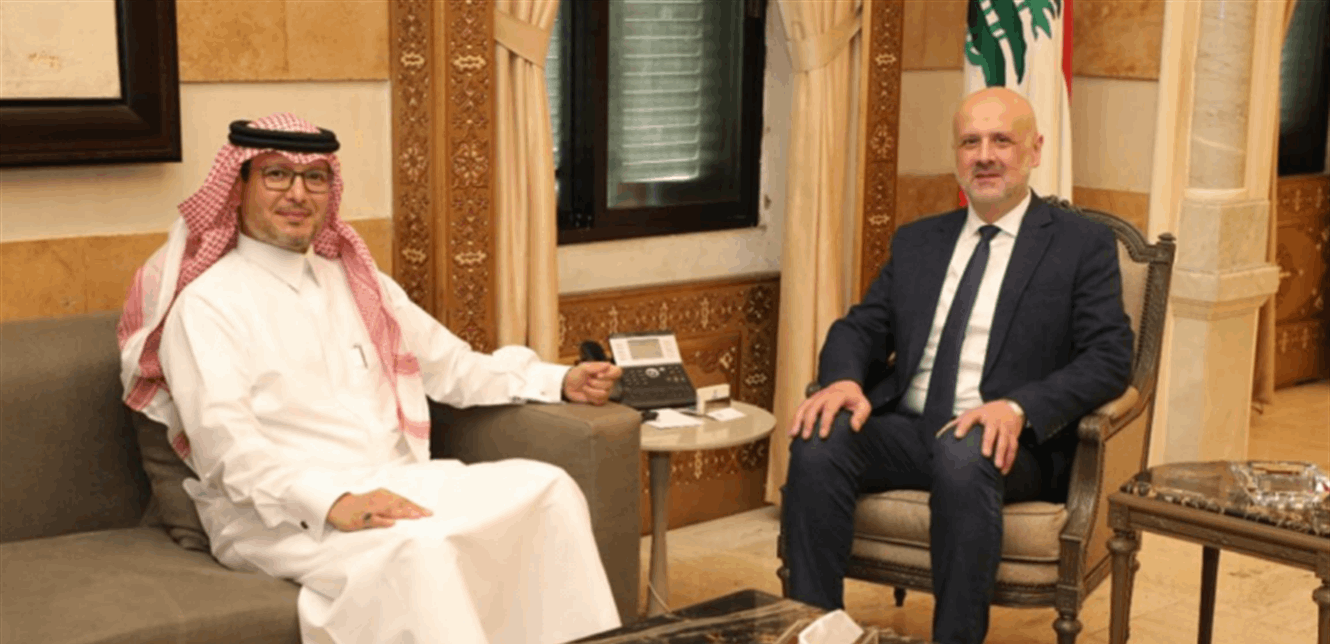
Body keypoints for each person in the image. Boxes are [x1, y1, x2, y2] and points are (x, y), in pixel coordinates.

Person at [117, 113, 625, 644]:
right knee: (420, 551)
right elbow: (226, 447)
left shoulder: (357, 281)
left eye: (315, 177)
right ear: (238, 186)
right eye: (277, 175)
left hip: (393, 481)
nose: (298, 194)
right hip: (275, 517)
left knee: (550, 489)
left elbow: (450, 365)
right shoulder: (207, 305)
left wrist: (557, 381)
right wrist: (331, 500)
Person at [780, 88, 1134, 644]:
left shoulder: (1080, 245)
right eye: (971, 142)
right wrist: (844, 381)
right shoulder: (919, 241)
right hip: (910, 428)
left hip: (1011, 444)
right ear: (956, 155)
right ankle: (818, 631)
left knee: (964, 453)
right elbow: (860, 327)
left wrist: (1018, 407)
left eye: (1002, 141)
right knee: (819, 439)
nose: (985, 156)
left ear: (1035, 150)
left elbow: (1109, 356)